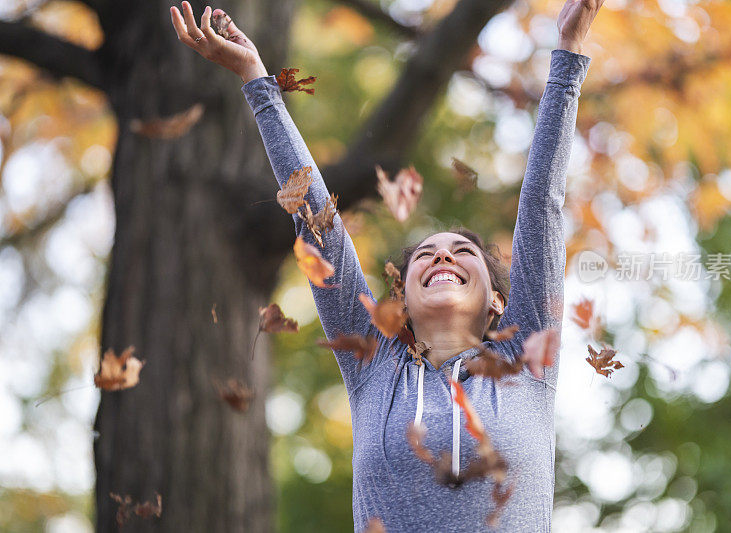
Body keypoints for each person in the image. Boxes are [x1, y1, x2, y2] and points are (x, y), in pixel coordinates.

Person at [170, 1, 602, 530]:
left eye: (464, 253)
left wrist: (570, 50)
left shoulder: (527, 358)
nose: (443, 255)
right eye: (426, 255)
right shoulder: (375, 365)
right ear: (402, 303)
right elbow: (318, 220)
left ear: (498, 300)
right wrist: (255, 79)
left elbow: (542, 204)